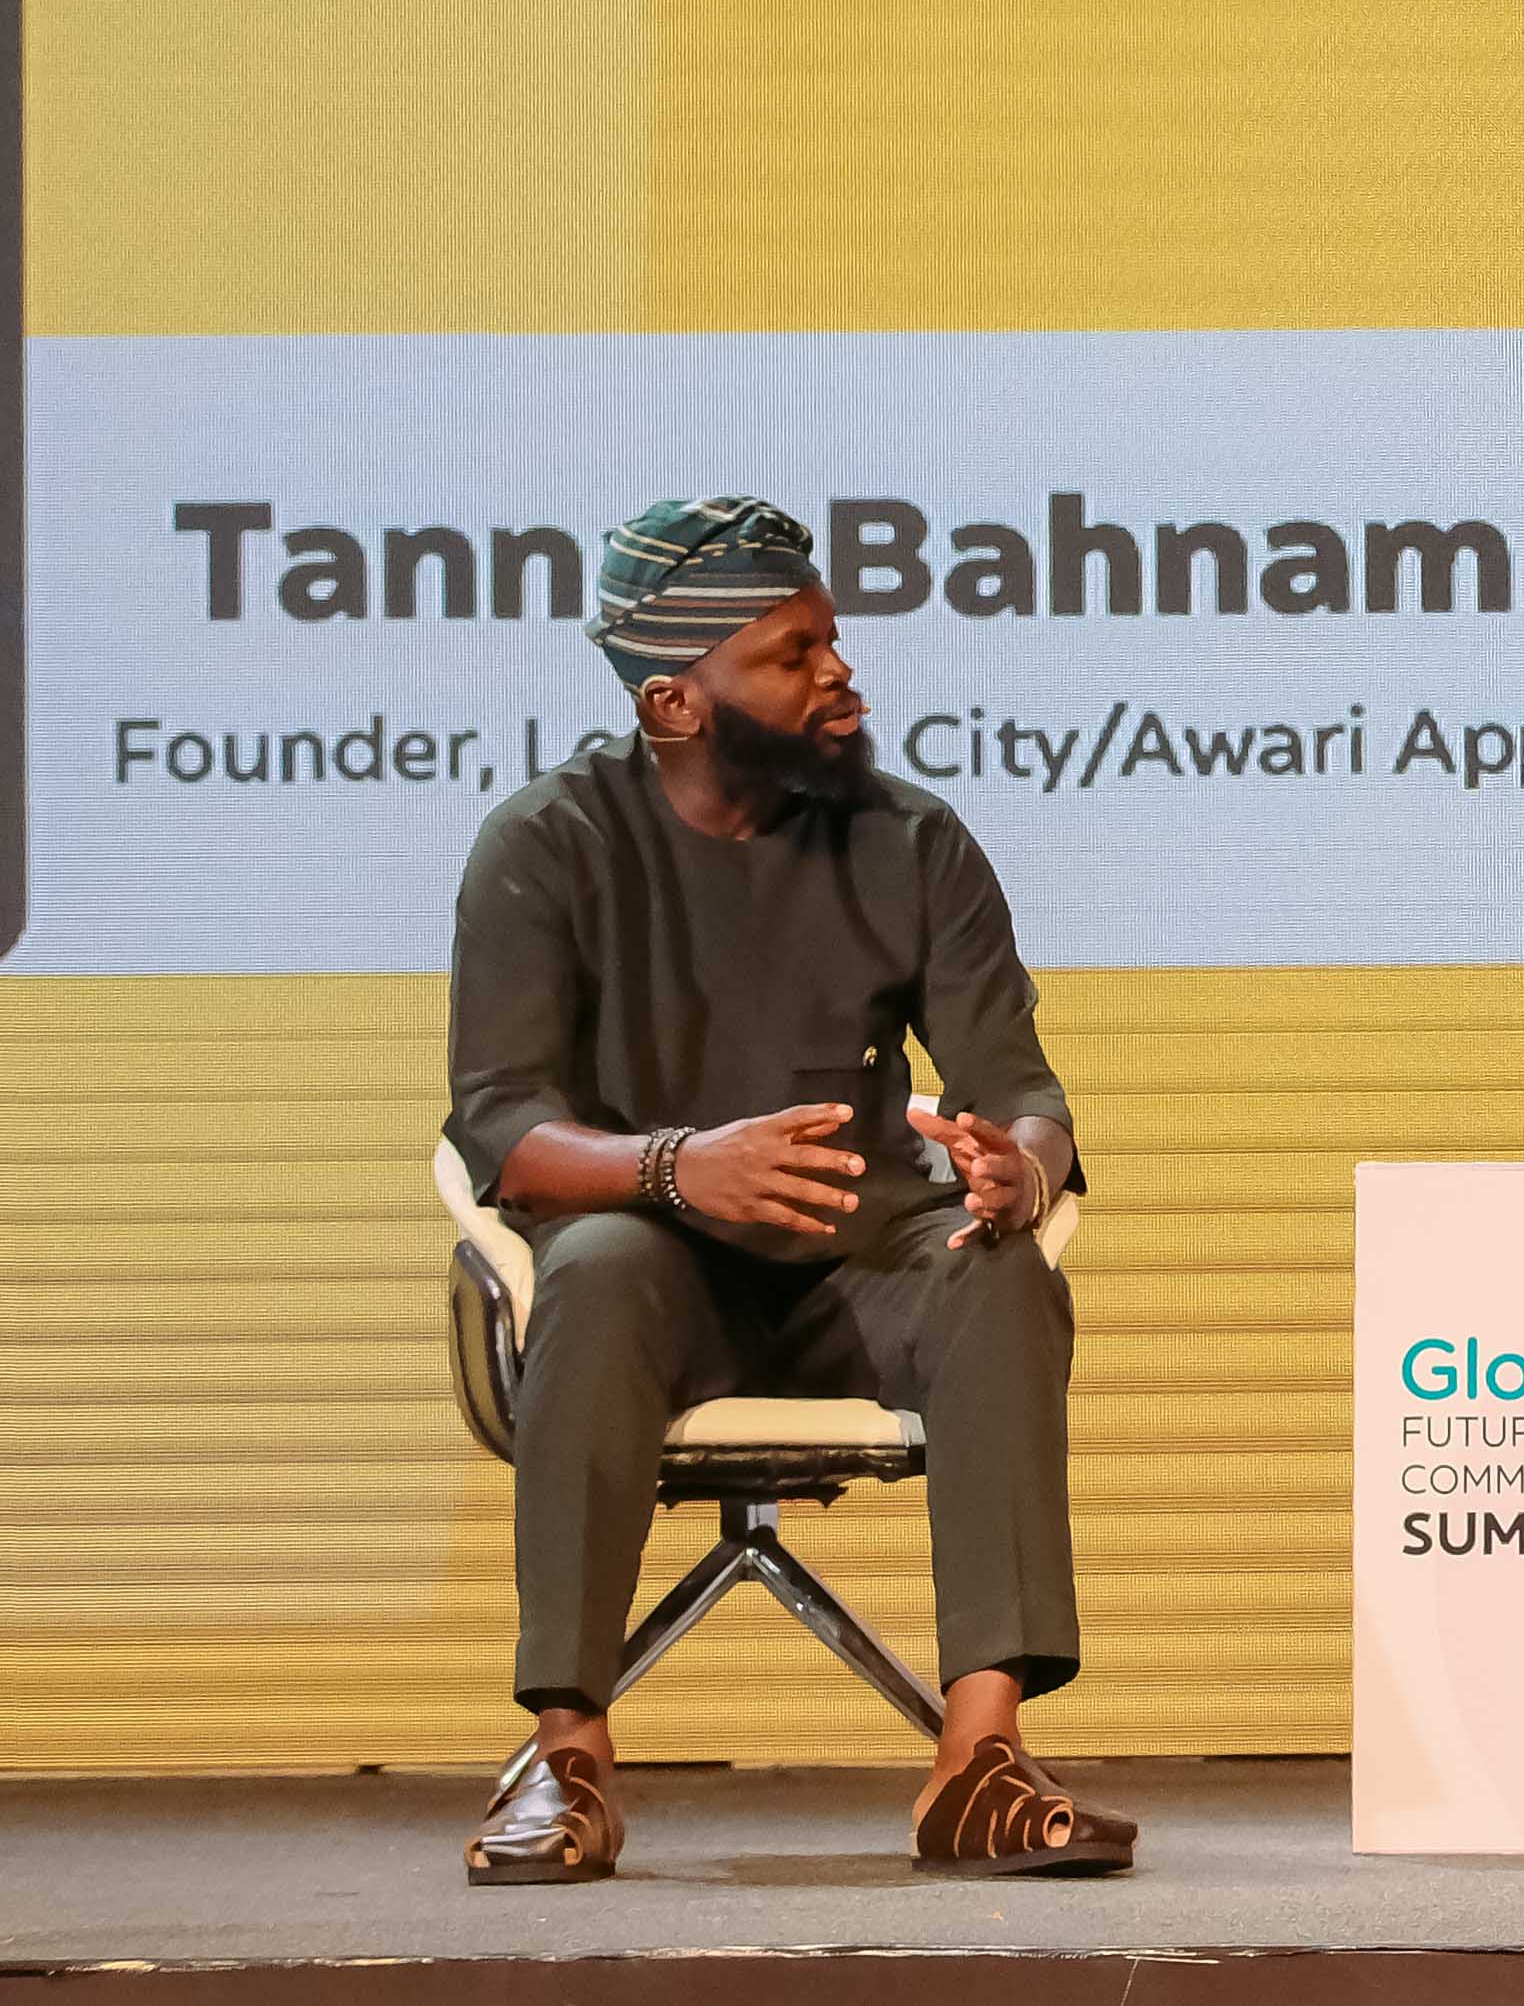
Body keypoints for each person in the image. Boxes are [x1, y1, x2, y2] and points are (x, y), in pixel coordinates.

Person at [441, 497, 1123, 1888]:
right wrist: (673, 1165)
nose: (838, 675)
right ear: (676, 699)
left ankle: (977, 1758)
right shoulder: (545, 845)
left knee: (1001, 1266)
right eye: (791, 651)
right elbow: (500, 1126)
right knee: (596, 1263)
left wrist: (1018, 1162)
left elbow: (1026, 1089)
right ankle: (566, 1756)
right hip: (656, 1271)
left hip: (862, 1270)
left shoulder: (912, 840)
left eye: (833, 641)